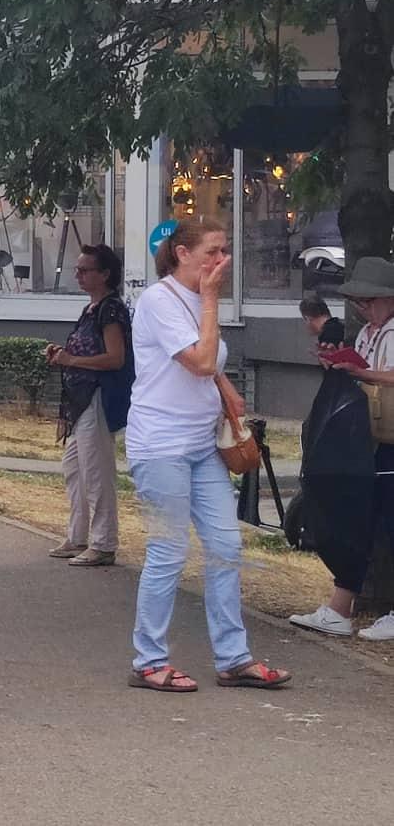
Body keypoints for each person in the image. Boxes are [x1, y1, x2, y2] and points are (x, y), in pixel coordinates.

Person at [125, 216, 290, 692]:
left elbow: (209, 361)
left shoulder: (197, 300)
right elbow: (197, 360)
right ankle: (148, 660)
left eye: (224, 251)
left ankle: (233, 657)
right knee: (168, 551)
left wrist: (226, 386)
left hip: (200, 445)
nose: (223, 261)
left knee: (226, 547)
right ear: (182, 254)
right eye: (213, 252)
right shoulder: (159, 300)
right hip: (160, 446)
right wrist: (213, 300)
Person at [290, 257, 394, 641]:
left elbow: (380, 373)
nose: (363, 307)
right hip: (370, 436)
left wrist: (359, 372)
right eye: (358, 301)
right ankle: (340, 606)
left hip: (387, 440)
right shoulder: (369, 332)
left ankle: (346, 605)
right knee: (362, 520)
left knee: (385, 521)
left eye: (369, 300)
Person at [45, 243, 129, 569]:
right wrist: (64, 355)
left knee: (97, 473)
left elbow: (115, 357)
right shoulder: (92, 309)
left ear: (104, 274)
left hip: (97, 396)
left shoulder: (110, 310)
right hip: (80, 400)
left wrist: (73, 359)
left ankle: (104, 542)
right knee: (75, 469)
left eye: (85, 270)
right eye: (77, 269)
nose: (78, 275)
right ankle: (78, 534)